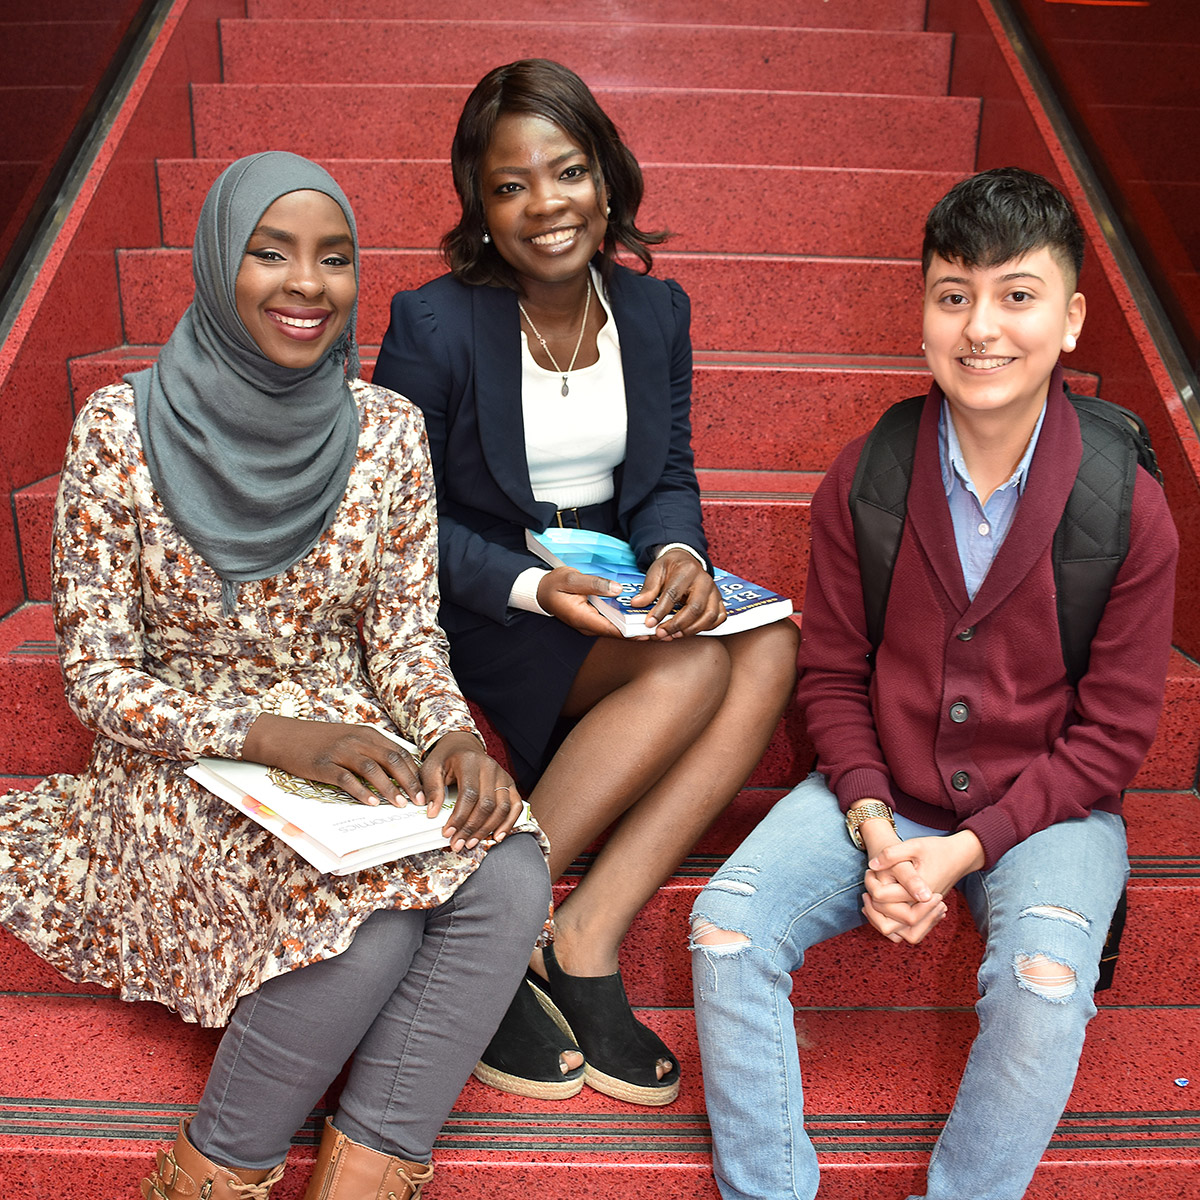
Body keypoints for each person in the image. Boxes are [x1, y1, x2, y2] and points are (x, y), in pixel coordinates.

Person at [0, 151, 552, 1200]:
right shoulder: (119, 431)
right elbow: (101, 678)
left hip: (353, 748)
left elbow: (401, 638)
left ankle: (364, 1177)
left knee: (514, 870)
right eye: (272, 254)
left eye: (334, 260)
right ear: (219, 264)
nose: (308, 284)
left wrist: (451, 737)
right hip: (185, 758)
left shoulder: (387, 432)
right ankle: (218, 1169)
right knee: (374, 918)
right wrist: (269, 736)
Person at [690, 167, 1179, 1199]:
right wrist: (876, 830)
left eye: (1017, 293)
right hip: (884, 793)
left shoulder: (1127, 508)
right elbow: (829, 678)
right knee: (725, 929)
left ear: (1074, 316)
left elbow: (1114, 737)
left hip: (1051, 807)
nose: (981, 327)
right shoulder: (864, 475)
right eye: (953, 295)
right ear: (922, 310)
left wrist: (961, 852)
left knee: (1046, 986)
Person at [372, 59, 799, 1107]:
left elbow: (664, 479)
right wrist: (530, 588)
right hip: (491, 601)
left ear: (606, 180)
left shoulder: (656, 316)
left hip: (608, 587)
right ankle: (500, 911)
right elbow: (390, 521)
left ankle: (584, 932)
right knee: (696, 674)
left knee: (773, 644)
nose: (544, 205)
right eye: (511, 184)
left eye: (566, 172)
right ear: (479, 203)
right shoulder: (432, 323)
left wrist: (680, 555)